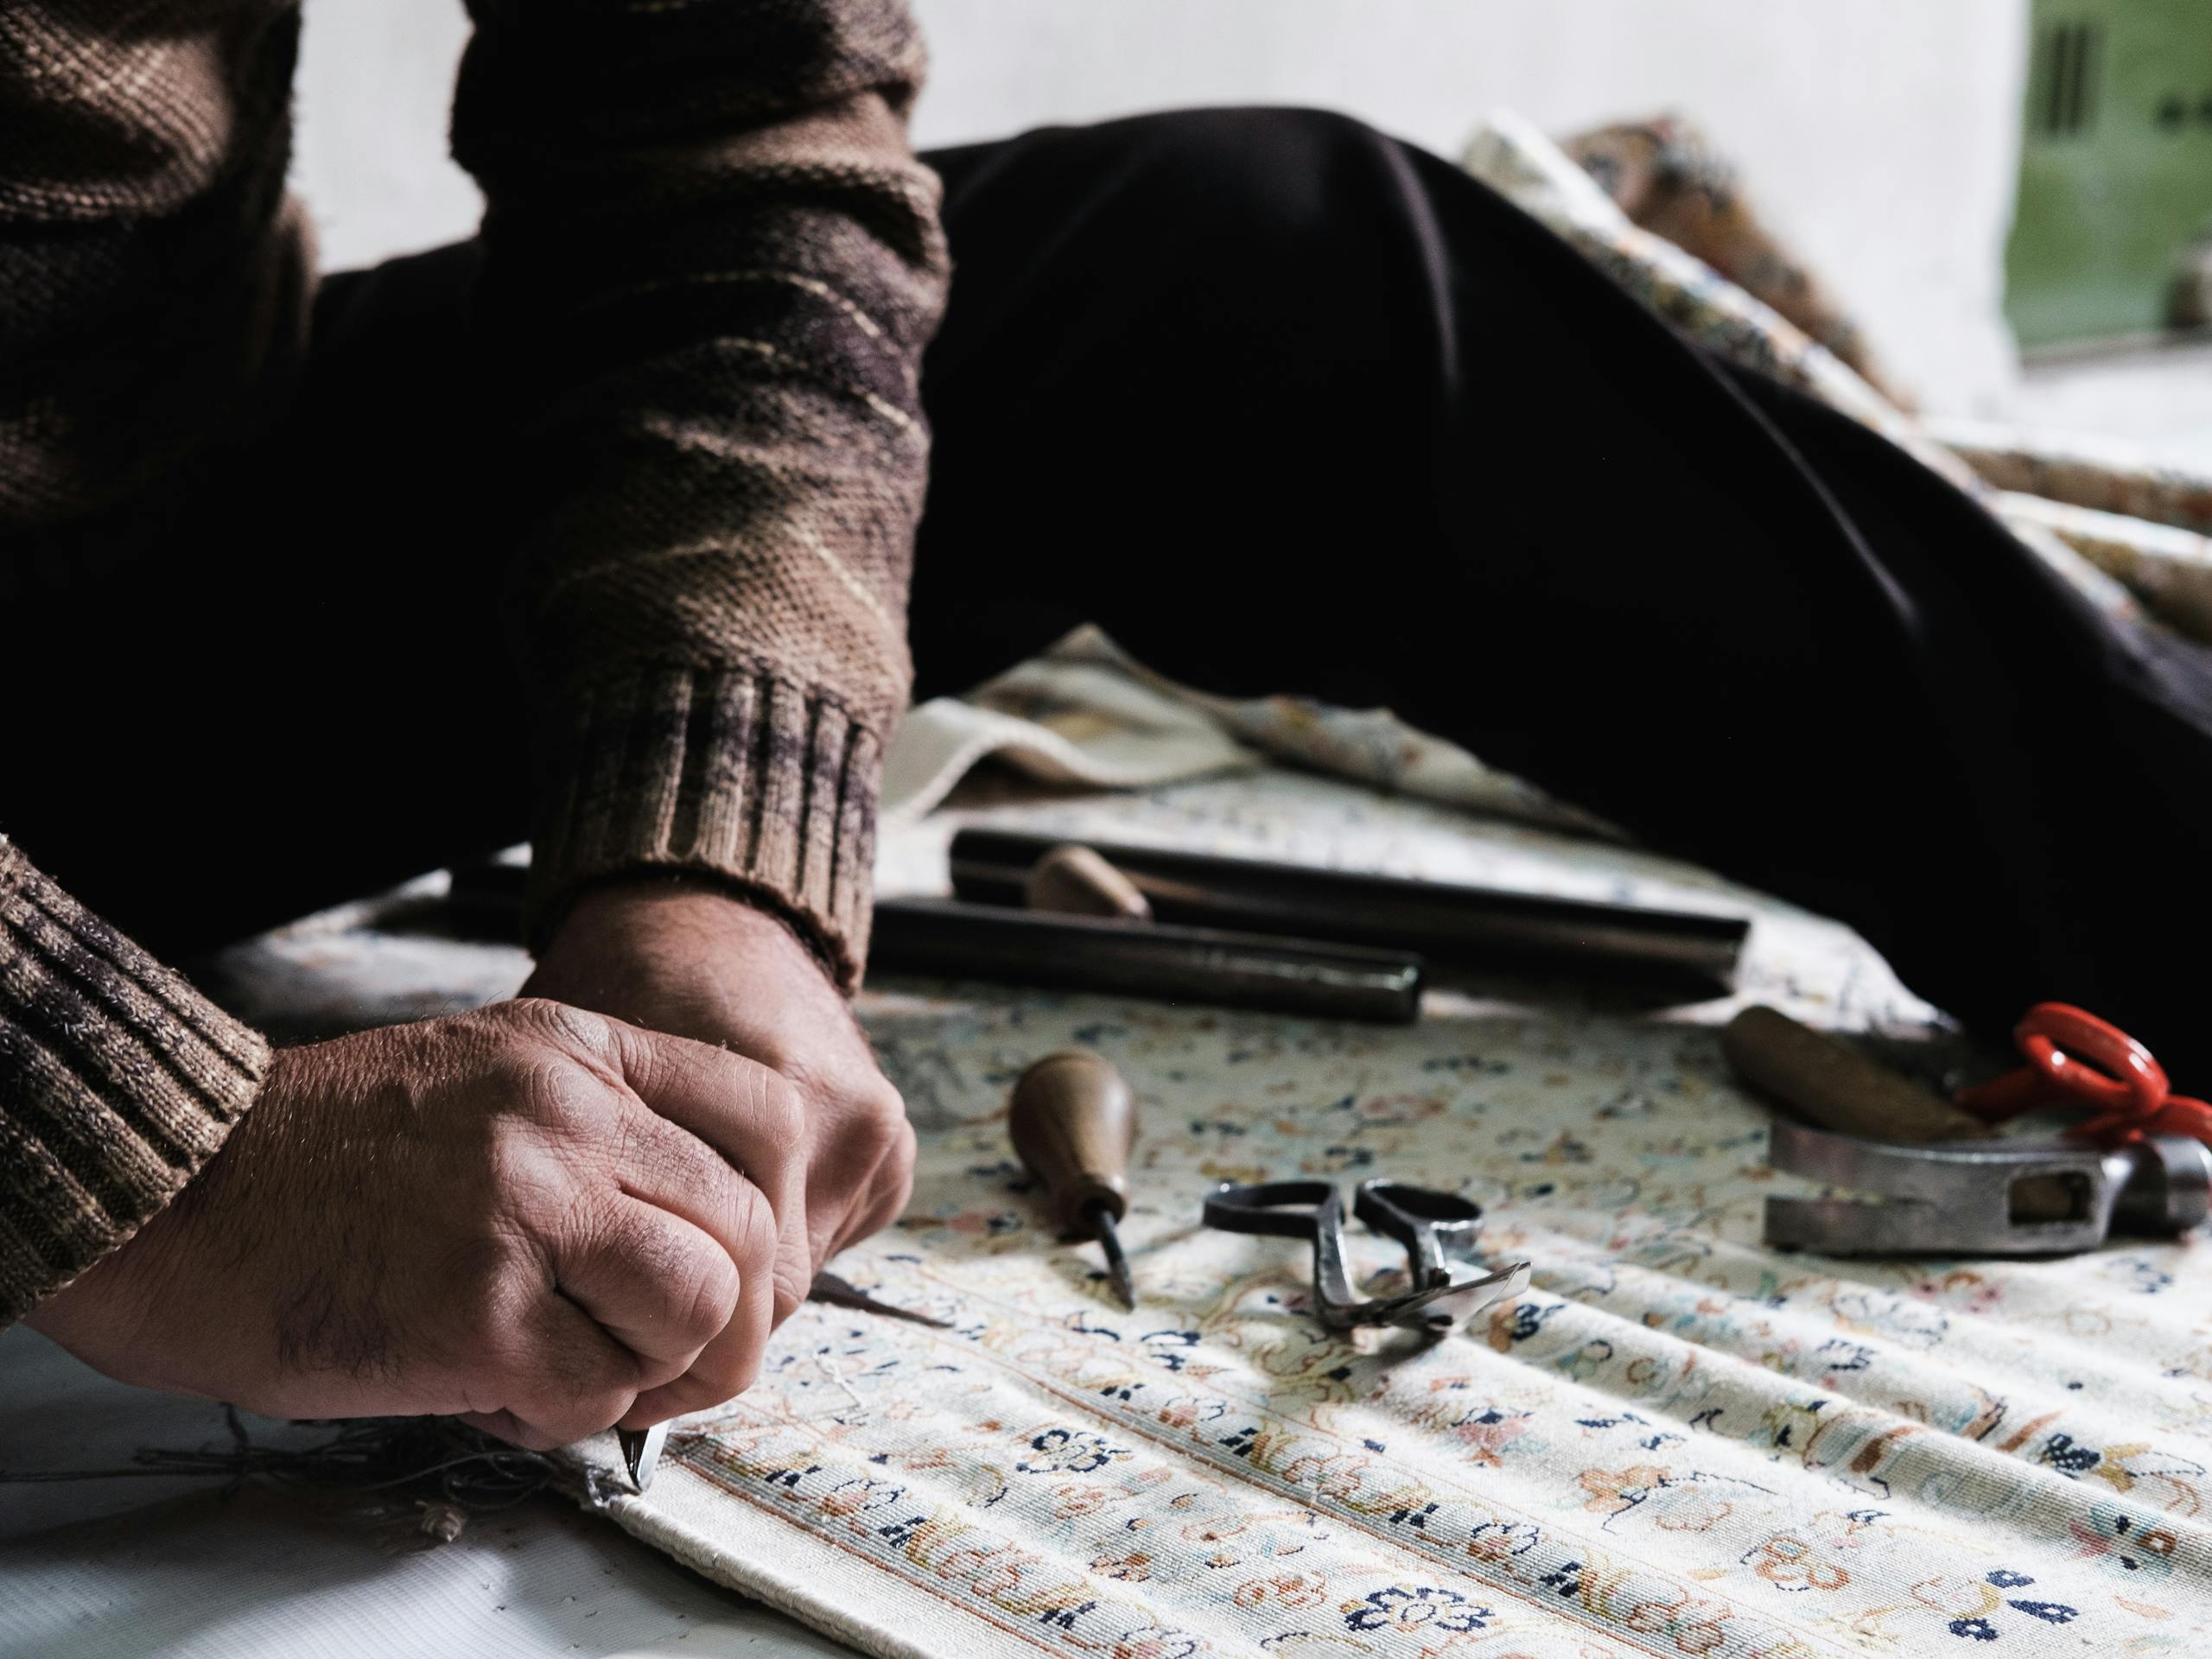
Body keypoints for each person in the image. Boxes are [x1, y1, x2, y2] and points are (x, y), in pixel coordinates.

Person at [10, 2, 2212, 1452]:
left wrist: (713, 842)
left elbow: (720, 158)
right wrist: (125, 1147)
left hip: (136, 531)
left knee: (1258, 261)